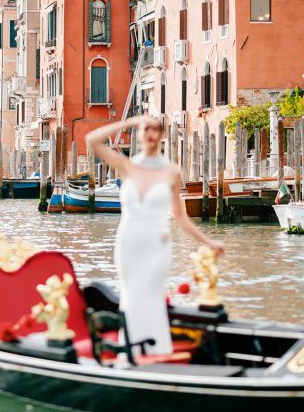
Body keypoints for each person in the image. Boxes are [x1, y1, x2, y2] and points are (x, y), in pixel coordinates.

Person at [86, 115, 225, 356]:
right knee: (130, 294)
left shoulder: (171, 171)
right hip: (129, 243)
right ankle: (129, 349)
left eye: (155, 129)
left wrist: (209, 241)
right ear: (139, 134)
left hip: (157, 245)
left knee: (151, 295)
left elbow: (180, 217)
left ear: (161, 135)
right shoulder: (126, 165)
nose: (150, 133)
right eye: (145, 129)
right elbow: (92, 140)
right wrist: (129, 122)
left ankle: (155, 350)